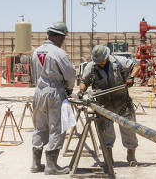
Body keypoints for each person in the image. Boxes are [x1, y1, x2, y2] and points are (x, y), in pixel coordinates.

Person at [77, 45, 141, 166]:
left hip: (122, 102)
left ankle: (131, 156)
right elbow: (84, 82)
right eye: (98, 62)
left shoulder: (119, 62)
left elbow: (136, 66)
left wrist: (131, 77)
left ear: (107, 57)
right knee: (105, 132)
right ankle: (108, 158)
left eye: (102, 61)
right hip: (104, 104)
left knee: (129, 130)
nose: (100, 64)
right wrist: (81, 91)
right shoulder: (91, 67)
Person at [30, 22, 76, 175]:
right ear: (56, 36)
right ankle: (51, 166)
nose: (63, 40)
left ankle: (36, 164)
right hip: (54, 92)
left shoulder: (36, 52)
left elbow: (34, 76)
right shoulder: (59, 53)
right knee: (57, 127)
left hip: (38, 92)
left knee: (40, 127)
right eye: (62, 38)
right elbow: (70, 75)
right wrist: (69, 89)